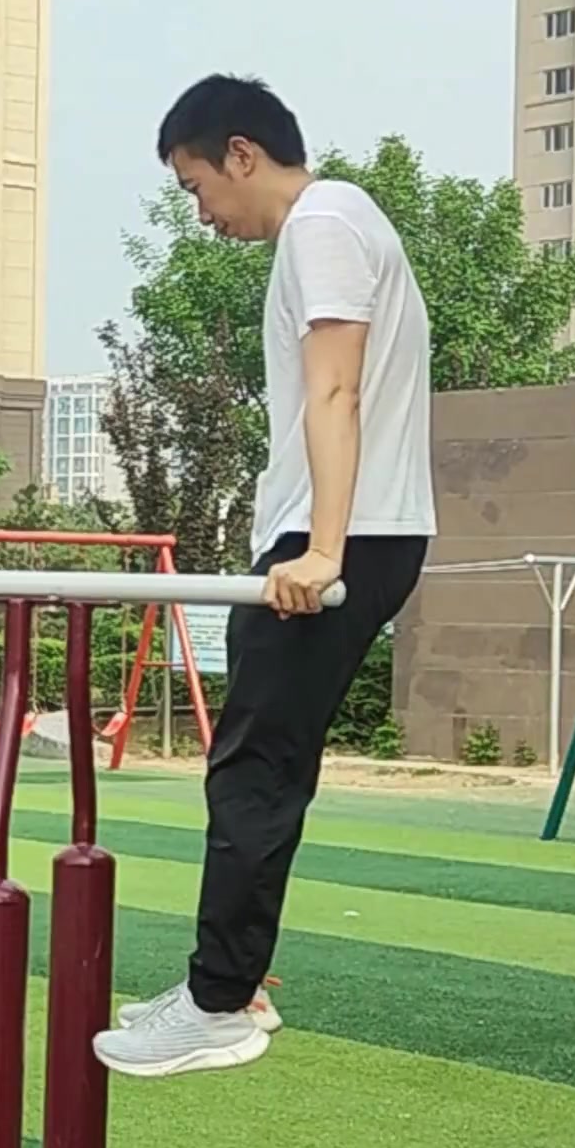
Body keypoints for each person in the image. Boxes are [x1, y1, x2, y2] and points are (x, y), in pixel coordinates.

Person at [93, 74, 436, 1079]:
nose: (201, 213)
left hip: (344, 534)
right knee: (265, 763)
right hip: (345, 529)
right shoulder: (336, 224)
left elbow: (337, 390)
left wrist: (322, 550)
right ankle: (230, 985)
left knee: (252, 768)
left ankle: (215, 1003)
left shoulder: (322, 224)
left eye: (197, 186)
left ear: (241, 153)